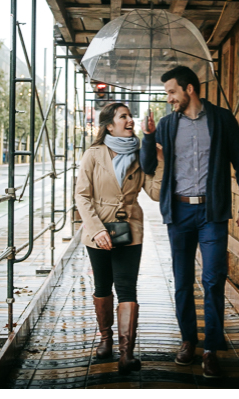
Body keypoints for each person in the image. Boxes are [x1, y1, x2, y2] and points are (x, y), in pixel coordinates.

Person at [140, 65, 239, 380]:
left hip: (212, 213)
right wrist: (148, 137)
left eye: (171, 92)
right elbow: (149, 164)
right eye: (167, 94)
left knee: (214, 279)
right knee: (182, 281)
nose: (168, 99)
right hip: (179, 213)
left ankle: (211, 349)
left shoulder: (221, 120)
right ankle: (188, 339)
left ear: (189, 89)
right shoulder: (165, 124)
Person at [75, 101, 164, 373]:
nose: (130, 121)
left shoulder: (140, 154)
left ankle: (126, 353)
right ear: (109, 125)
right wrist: (97, 229)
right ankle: (106, 339)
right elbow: (82, 195)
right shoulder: (93, 154)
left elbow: (156, 193)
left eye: (129, 116)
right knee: (102, 286)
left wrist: (159, 160)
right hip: (98, 231)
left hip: (129, 230)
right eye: (123, 117)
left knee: (127, 287)